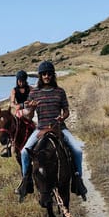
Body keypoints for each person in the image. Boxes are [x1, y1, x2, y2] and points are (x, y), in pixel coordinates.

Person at [17, 60, 87, 201]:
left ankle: (78, 180)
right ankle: (26, 181)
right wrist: (32, 109)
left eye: (49, 74)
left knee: (77, 150)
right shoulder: (34, 93)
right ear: (40, 76)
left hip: (59, 128)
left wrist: (62, 118)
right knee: (24, 152)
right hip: (40, 128)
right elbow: (30, 116)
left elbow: (66, 111)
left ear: (52, 75)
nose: (46, 76)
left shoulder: (60, 92)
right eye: (44, 74)